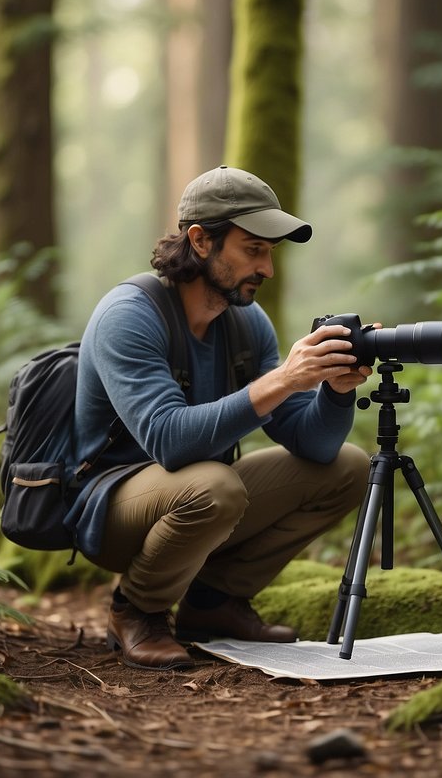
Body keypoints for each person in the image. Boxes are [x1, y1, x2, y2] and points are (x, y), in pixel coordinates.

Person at [69, 165, 374, 670]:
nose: (268, 269)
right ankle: (137, 610)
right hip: (109, 506)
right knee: (215, 485)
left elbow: (312, 445)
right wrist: (282, 380)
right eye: (253, 249)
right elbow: (169, 440)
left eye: (270, 253)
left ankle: (213, 604)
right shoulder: (128, 314)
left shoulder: (247, 322)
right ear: (201, 241)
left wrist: (334, 393)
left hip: (194, 496)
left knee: (347, 467)